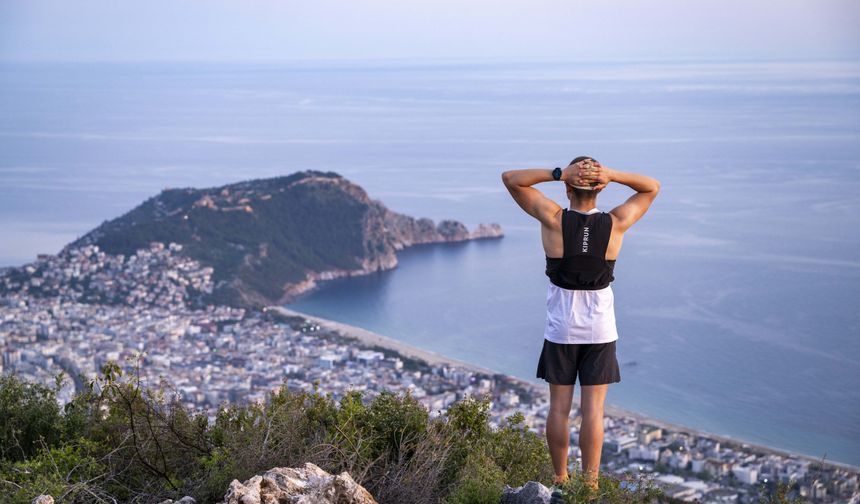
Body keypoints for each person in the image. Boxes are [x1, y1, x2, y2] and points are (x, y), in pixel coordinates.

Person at [501, 157, 660, 499]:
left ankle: (560, 478)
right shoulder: (616, 223)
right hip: (600, 330)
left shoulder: (554, 218)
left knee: (559, 408)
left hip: (561, 329)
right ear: (601, 187)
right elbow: (652, 187)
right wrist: (613, 175)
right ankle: (590, 486)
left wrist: (558, 172)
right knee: (594, 412)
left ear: (567, 187)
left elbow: (512, 178)